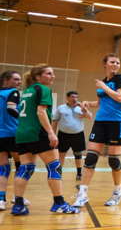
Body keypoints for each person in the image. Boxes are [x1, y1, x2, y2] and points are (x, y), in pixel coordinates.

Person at [12, 65, 78, 216]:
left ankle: (18, 205)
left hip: (22, 135)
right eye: (49, 73)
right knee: (54, 167)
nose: (53, 76)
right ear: (38, 77)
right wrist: (51, 132)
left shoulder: (27, 91)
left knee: (25, 169)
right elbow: (41, 112)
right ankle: (59, 203)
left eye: (53, 73)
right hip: (38, 133)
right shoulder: (43, 89)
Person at [73, 54, 121, 208]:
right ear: (105, 64)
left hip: (118, 123)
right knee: (90, 158)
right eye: (112, 62)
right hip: (100, 122)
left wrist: (103, 87)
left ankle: (118, 191)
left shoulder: (120, 79)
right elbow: (100, 102)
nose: (115, 65)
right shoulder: (103, 82)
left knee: (113, 160)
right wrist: (87, 103)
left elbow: (119, 97)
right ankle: (82, 194)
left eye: (118, 62)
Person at [51, 91, 91, 185]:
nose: (75, 99)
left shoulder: (81, 108)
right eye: (73, 97)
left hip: (78, 134)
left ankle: (79, 173)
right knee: (61, 154)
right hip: (64, 135)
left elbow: (89, 117)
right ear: (67, 98)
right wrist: (52, 134)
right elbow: (55, 121)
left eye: (76, 97)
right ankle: (59, 172)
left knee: (78, 154)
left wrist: (84, 109)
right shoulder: (61, 108)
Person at [0, 71, 22, 211]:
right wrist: (25, 119)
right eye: (16, 79)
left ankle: (1, 199)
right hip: (13, 134)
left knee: (3, 168)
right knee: (22, 166)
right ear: (6, 81)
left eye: (20, 79)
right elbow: (11, 109)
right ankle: (17, 196)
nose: (19, 82)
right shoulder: (13, 92)